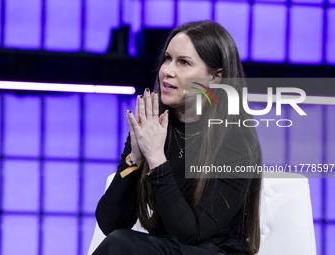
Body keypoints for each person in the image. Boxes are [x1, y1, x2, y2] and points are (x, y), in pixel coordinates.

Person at [93, 20, 262, 255]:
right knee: (121, 241)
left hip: (214, 251)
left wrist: (156, 158)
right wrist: (136, 158)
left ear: (215, 77)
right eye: (167, 58)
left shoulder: (235, 141)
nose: (167, 71)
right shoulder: (156, 126)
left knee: (124, 244)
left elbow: (191, 235)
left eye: (183, 62)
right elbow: (110, 223)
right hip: (166, 248)